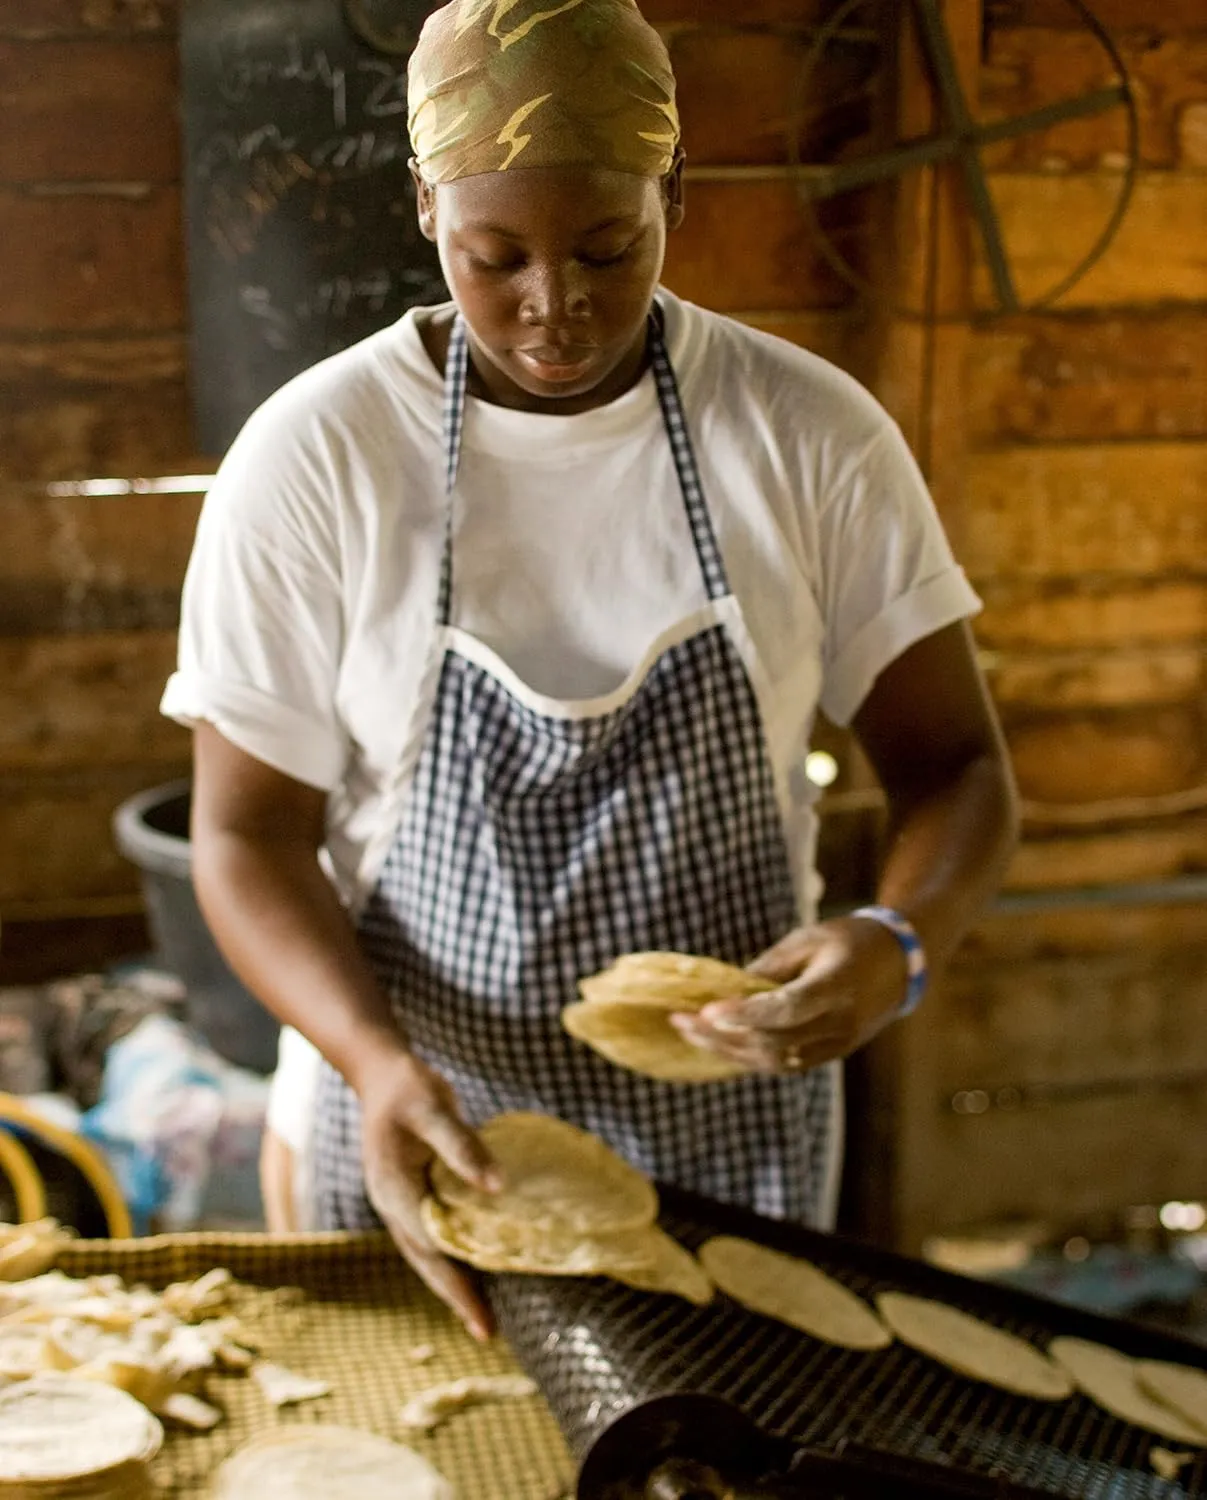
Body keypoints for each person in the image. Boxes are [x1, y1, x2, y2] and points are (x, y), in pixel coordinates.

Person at [162, 0, 1018, 1343]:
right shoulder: (318, 457)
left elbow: (957, 770)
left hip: (725, 1140)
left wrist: (897, 942)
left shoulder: (806, 438)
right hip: (426, 1122)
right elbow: (242, 832)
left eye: (608, 248)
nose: (551, 308)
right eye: (492, 256)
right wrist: (374, 1066)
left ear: (673, 188)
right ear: (424, 204)